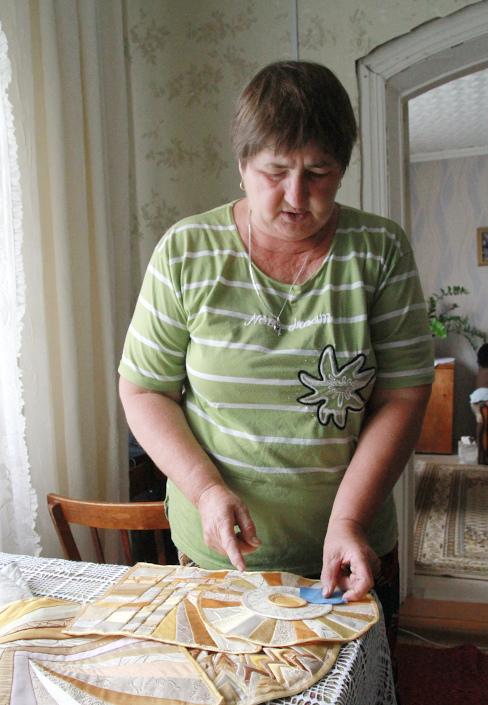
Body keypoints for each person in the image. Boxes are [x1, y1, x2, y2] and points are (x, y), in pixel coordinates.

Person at [118, 61, 433, 643]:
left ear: (342, 170)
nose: (296, 195)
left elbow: (403, 397)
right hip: (219, 559)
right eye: (275, 171)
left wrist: (349, 519)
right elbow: (144, 389)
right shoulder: (186, 252)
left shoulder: (379, 252)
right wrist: (206, 491)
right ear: (242, 166)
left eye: (318, 173)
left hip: (346, 556)